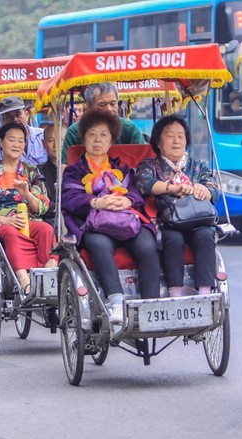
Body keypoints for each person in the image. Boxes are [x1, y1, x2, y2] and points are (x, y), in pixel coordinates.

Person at [62, 109, 160, 323]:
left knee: (147, 244)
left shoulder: (122, 168)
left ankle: (151, 303)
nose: (97, 140)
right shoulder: (74, 170)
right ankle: (115, 301)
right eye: (92, 134)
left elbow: (136, 193)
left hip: (125, 219)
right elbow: (69, 198)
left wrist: (127, 200)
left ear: (111, 141)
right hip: (93, 224)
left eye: (103, 135)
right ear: (84, 139)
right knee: (99, 244)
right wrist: (97, 202)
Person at [136, 116, 220, 297]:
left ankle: (205, 291)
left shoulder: (198, 166)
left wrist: (204, 190)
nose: (176, 141)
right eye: (170, 136)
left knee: (206, 235)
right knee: (173, 239)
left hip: (197, 219)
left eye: (181, 137)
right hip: (168, 222)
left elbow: (213, 189)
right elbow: (144, 183)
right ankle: (175, 291)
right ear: (158, 142)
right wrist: (171, 188)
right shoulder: (149, 165)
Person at [0, 122, 58, 295]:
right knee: (11, 232)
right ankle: (25, 281)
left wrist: (27, 194)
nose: (16, 145)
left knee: (46, 229)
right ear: (1, 142)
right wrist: (6, 220)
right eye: (11, 140)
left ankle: (47, 274)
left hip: (30, 221)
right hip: (1, 224)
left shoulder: (32, 171)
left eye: (21, 141)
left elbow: (42, 207)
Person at [61, 82, 145, 165]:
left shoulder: (129, 129)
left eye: (112, 104)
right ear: (89, 106)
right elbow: (65, 167)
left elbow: (145, 160)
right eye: (102, 104)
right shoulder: (74, 132)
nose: (109, 109)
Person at [0, 96, 46, 167]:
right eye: (9, 117)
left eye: (18, 114)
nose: (15, 120)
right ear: (4, 120)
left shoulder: (43, 135)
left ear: (27, 114)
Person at [39, 124, 58, 227]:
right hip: (49, 220)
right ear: (43, 144)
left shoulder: (75, 169)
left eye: (61, 140)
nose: (56, 145)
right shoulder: (38, 171)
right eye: (50, 141)